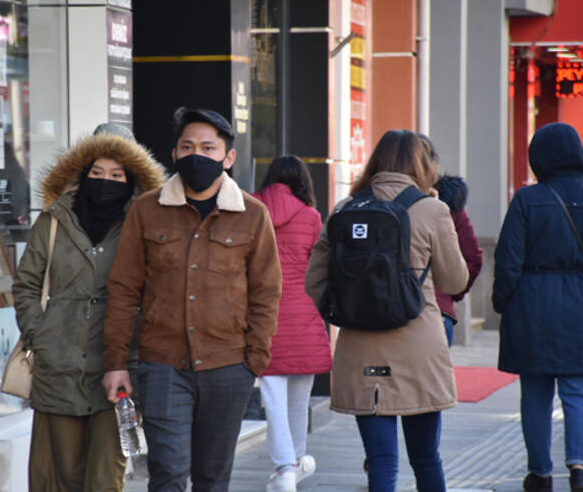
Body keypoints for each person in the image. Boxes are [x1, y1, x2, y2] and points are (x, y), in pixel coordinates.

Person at [102, 107, 283, 492]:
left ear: (228, 157)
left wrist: (254, 360)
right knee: (167, 472)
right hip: (163, 365)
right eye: (187, 147)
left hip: (228, 366)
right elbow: (123, 289)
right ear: (174, 154)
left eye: (207, 147)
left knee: (212, 478)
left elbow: (266, 293)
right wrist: (116, 362)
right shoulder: (146, 210)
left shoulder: (253, 215)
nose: (196, 155)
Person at [305, 129, 468, 491]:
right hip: (419, 348)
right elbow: (456, 281)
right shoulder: (432, 209)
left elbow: (313, 283)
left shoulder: (345, 208)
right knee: (426, 457)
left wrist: (350, 309)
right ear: (420, 164)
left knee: (380, 461)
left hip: (359, 348)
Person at [12, 123, 166, 492]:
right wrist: (42, 334)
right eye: (97, 172)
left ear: (131, 178)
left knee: (105, 478)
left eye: (116, 174)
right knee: (54, 477)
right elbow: (26, 285)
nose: (105, 181)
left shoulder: (144, 224)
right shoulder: (53, 221)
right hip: (57, 366)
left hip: (118, 369)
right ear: (82, 173)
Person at [492, 122, 583, 492]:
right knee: (577, 390)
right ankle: (578, 467)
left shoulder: (528, 199)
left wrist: (503, 301)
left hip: (533, 303)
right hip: (579, 301)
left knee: (535, 392)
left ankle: (540, 473)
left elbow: (508, 259)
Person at [251, 155, 332, 492]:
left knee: (274, 402)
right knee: (300, 400)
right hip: (304, 315)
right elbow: (319, 268)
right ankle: (293, 463)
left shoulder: (251, 209)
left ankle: (287, 468)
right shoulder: (311, 216)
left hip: (264, 314)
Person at [419, 135, 483, 346]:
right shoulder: (449, 203)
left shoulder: (376, 200)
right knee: (434, 378)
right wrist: (450, 292)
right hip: (437, 308)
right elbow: (472, 258)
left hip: (384, 312)